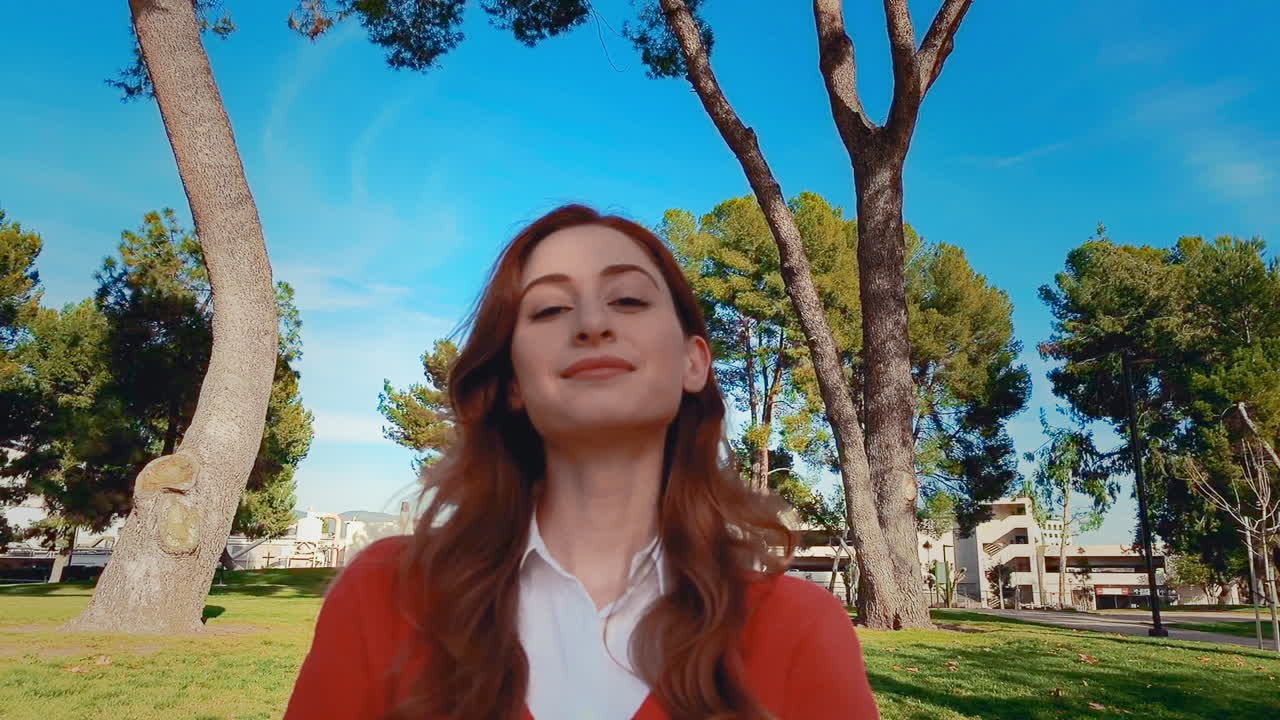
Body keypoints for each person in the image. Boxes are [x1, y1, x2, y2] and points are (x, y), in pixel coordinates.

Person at [283, 205, 879, 720]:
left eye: (628, 299)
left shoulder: (803, 628)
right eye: (549, 310)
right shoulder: (385, 595)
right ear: (512, 381)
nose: (593, 325)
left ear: (693, 362)